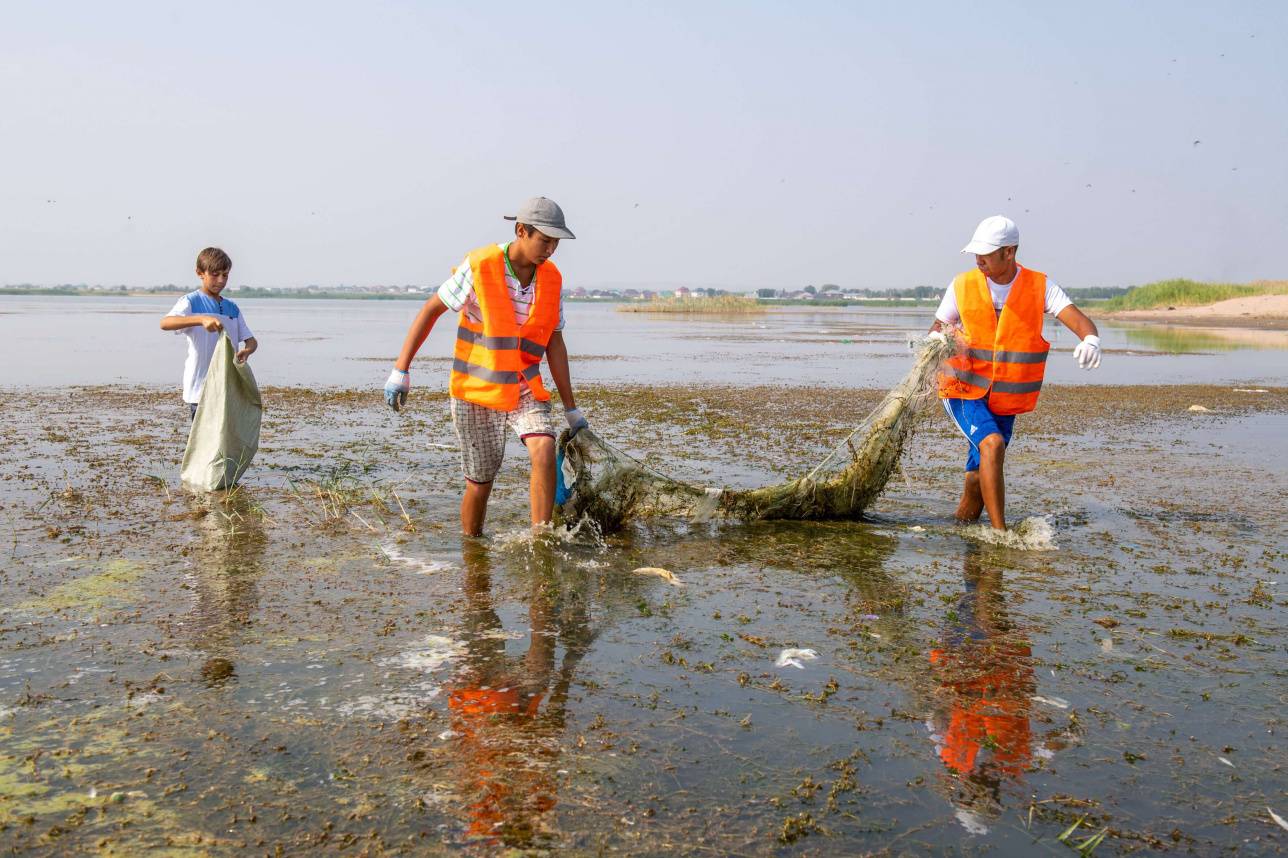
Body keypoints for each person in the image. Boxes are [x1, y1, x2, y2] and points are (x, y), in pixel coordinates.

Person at [384, 197, 587, 536]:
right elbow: (431, 309)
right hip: (476, 391)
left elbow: (555, 342)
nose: (550, 249)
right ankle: (472, 550)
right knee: (481, 483)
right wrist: (401, 370)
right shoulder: (480, 266)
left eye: (556, 242)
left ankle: (541, 540)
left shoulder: (551, 279)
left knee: (543, 447)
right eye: (545, 240)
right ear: (521, 231)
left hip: (524, 385)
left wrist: (571, 409)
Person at [931, 216, 1100, 530]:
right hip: (962, 388)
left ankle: (962, 535)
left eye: (987, 252)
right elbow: (936, 331)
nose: (979, 259)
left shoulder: (1039, 286)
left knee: (977, 478)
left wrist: (1090, 339)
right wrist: (936, 340)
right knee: (992, 445)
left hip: (1006, 397)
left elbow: (1079, 320)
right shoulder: (962, 285)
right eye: (976, 252)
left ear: (1009, 252)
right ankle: (1000, 534)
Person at [159, 247, 258, 420]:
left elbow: (251, 341)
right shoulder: (191, 301)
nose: (220, 280)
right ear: (200, 273)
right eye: (215, 274)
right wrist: (201, 319)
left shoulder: (232, 308)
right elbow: (166, 323)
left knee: (226, 442)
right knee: (204, 444)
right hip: (200, 389)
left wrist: (248, 350)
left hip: (228, 387)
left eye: (225, 275)